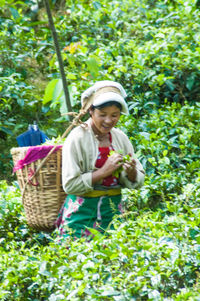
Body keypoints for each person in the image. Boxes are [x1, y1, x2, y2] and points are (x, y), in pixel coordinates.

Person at [55, 80, 145, 240]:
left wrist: (131, 172)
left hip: (113, 212)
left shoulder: (120, 138)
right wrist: (104, 171)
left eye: (114, 115)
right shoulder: (77, 138)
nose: (109, 120)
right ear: (91, 111)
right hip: (80, 215)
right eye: (102, 115)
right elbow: (70, 185)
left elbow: (138, 180)